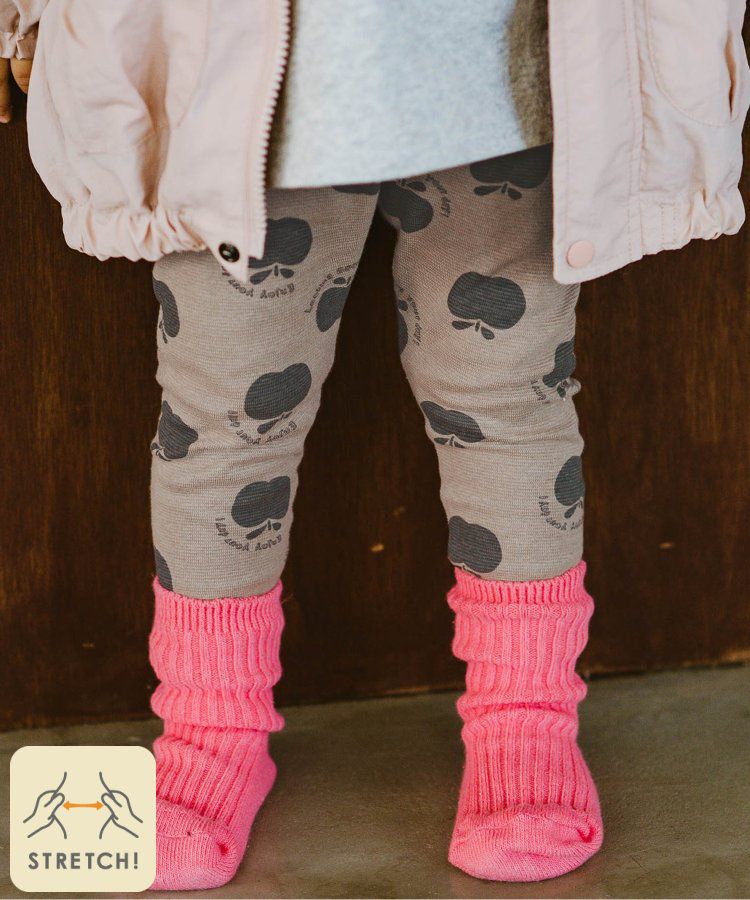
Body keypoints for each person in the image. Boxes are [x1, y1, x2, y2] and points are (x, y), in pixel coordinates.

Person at [2, 0, 748, 890]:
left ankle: (526, 720)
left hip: (508, 76)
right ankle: (208, 729)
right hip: (231, 90)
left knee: (506, 401)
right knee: (223, 419)